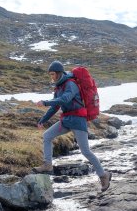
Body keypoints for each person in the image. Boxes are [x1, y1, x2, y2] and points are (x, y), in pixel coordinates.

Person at [33, 60, 112, 192]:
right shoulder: (58, 87)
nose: (51, 77)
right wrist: (43, 120)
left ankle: (104, 175)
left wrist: (45, 102)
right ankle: (48, 165)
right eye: (50, 75)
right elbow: (55, 106)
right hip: (67, 120)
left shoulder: (71, 84)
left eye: (53, 74)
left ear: (59, 73)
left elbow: (65, 99)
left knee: (85, 151)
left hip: (78, 120)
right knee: (47, 136)